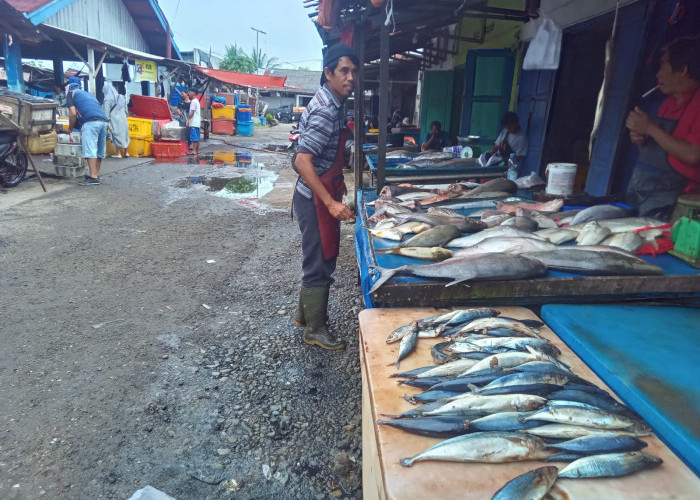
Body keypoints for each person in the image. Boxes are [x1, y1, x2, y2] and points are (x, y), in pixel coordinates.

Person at [292, 43, 358, 350]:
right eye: (344, 71)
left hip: (319, 195)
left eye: (354, 71)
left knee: (317, 258)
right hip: (315, 199)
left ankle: (304, 316)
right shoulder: (325, 110)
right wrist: (330, 202)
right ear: (328, 72)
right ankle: (315, 330)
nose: (350, 77)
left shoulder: (333, 101)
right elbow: (302, 161)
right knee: (320, 262)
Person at [625, 36, 700, 220]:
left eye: (663, 65)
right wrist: (641, 139)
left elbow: (693, 154)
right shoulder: (668, 103)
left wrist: (649, 128)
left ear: (683, 69)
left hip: (677, 204)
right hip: (643, 194)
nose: (658, 74)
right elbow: (656, 152)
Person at [66, 76, 108, 185]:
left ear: (69, 86)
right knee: (99, 150)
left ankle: (93, 177)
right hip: (103, 121)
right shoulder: (88, 94)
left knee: (90, 149)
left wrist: (70, 129)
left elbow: (73, 114)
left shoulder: (71, 94)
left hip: (91, 122)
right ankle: (95, 175)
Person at [103, 82, 129, 158]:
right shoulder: (120, 97)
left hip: (114, 119)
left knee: (116, 134)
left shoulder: (107, 100)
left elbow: (106, 113)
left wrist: (106, 121)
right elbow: (126, 110)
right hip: (123, 118)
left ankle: (118, 153)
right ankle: (126, 152)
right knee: (125, 134)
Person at [186, 89, 201, 154]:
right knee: (197, 137)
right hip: (197, 122)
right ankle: (197, 150)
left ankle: (194, 150)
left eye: (190, 92)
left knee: (194, 137)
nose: (189, 93)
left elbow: (192, 112)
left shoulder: (193, 102)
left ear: (193, 93)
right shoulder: (197, 101)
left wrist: (188, 119)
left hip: (194, 122)